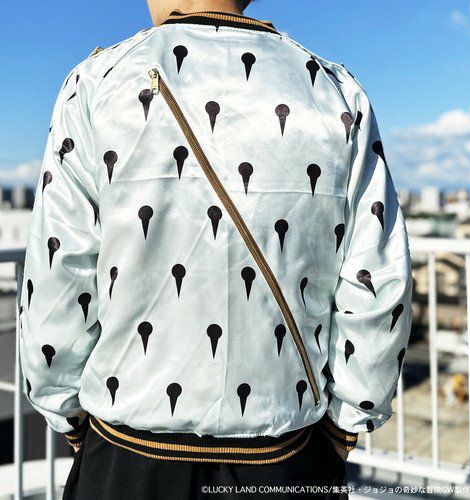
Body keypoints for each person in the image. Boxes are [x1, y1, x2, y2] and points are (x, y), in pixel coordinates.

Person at [19, 0, 413, 498]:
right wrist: (348, 423)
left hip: (128, 453)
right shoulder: (336, 91)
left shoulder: (96, 83)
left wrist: (67, 414)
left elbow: (58, 274)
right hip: (287, 452)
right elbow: (378, 282)